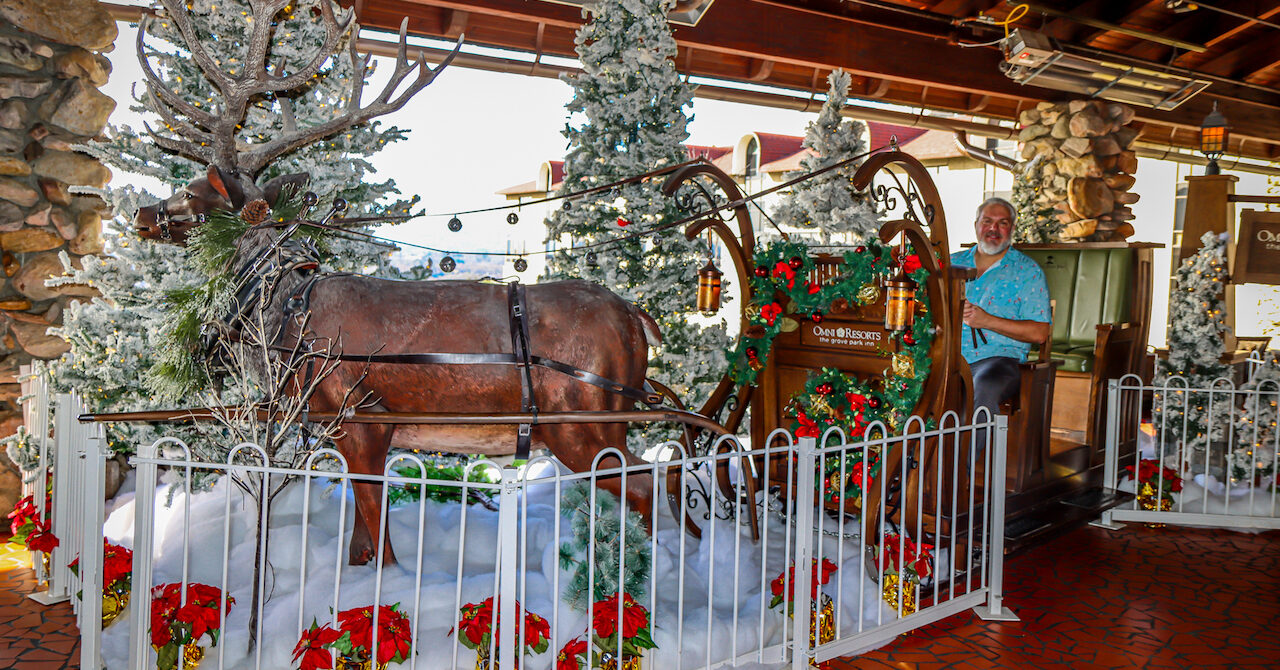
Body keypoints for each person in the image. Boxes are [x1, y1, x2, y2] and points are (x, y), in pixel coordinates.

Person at [949, 197, 1052, 423]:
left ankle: (965, 459)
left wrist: (986, 320)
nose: (993, 229)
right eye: (987, 221)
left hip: (998, 360)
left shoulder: (1028, 271)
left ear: (1012, 229)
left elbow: (1039, 333)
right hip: (946, 356)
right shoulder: (950, 264)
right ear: (975, 225)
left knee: (984, 388)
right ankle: (910, 457)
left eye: (1002, 223)